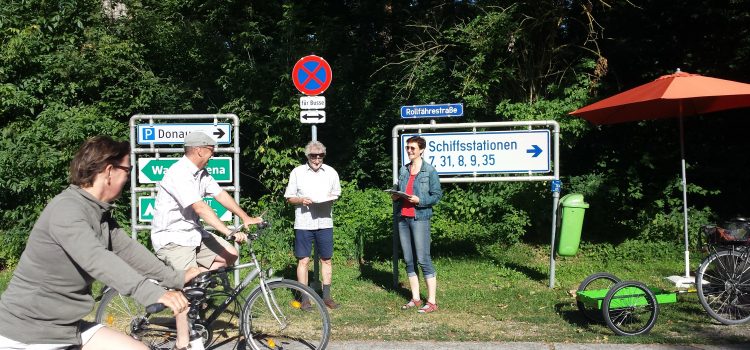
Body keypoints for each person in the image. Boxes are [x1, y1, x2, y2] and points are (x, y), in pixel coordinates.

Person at [0, 135, 199, 350]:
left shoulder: (98, 213)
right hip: (28, 332)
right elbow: (97, 258)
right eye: (127, 171)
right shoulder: (67, 210)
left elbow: (128, 250)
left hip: (67, 328)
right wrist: (152, 293)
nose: (128, 177)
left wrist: (175, 277)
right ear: (109, 171)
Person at [151, 132, 262, 273]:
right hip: (173, 239)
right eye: (211, 150)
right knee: (190, 282)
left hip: (194, 234)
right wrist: (229, 232)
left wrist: (245, 217)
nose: (213, 155)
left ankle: (194, 284)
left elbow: (220, 194)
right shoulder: (179, 173)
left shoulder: (201, 173)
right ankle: (175, 288)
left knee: (230, 255)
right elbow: (200, 208)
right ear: (199, 150)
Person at [284, 141, 342, 309]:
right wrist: (301, 200)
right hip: (303, 222)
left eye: (320, 156)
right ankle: (305, 298)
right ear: (307, 156)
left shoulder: (331, 172)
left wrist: (331, 197)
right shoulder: (297, 172)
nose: (317, 160)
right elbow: (289, 197)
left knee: (327, 259)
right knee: (303, 260)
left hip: (324, 221)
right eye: (313, 156)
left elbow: (337, 192)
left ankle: (326, 297)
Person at [392, 136, 443, 313]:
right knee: (408, 260)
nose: (409, 151)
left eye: (413, 148)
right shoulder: (404, 169)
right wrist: (395, 195)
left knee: (423, 259)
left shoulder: (429, 171)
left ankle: (432, 301)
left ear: (421, 150)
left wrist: (420, 200)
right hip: (403, 218)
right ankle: (415, 298)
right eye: (407, 148)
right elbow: (399, 187)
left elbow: (437, 195)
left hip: (420, 218)